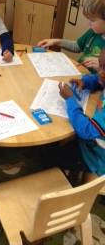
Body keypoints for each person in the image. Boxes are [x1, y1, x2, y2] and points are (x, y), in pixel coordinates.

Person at [50, 48, 105, 183]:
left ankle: (70, 181)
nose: (101, 72)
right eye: (100, 65)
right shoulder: (103, 77)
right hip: (92, 145)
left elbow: (86, 130)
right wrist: (86, 82)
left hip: (96, 157)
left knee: (47, 155)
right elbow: (98, 80)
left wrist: (70, 99)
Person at [37, 0, 105, 73]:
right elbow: (77, 46)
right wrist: (56, 42)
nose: (89, 24)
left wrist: (101, 68)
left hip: (93, 83)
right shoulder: (93, 32)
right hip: (79, 73)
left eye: (92, 20)